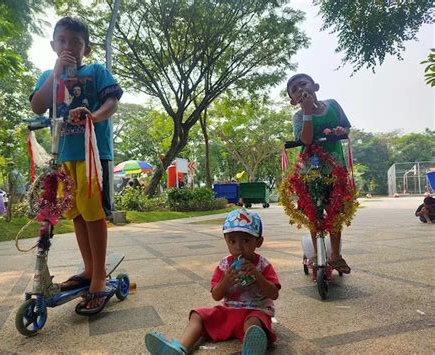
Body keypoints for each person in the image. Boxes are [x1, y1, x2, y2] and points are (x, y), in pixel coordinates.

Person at [30, 16, 123, 315]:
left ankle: (98, 277)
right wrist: (54, 74)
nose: (69, 47)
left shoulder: (96, 71)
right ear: (53, 45)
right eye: (63, 41)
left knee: (93, 213)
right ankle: (87, 268)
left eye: (76, 43)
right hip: (64, 157)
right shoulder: (48, 74)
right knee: (77, 214)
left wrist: (94, 117)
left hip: (92, 154)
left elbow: (112, 102)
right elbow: (37, 105)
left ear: (86, 47)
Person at [145, 209, 281, 354]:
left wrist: (258, 276)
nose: (238, 247)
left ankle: (252, 348)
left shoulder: (263, 265)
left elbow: (274, 294)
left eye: (246, 240)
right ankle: (179, 348)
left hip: (255, 311)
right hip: (229, 312)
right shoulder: (224, 266)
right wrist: (226, 281)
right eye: (232, 241)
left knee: (254, 323)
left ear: (258, 242)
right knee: (197, 315)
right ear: (226, 241)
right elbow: (216, 295)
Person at [287, 73, 352, 274]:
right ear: (293, 101)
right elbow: (305, 139)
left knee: (335, 210)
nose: (300, 90)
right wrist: (307, 112)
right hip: (311, 171)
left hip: (335, 170)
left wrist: (341, 130)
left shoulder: (333, 105)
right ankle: (315, 252)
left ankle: (336, 255)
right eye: (295, 90)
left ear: (315, 86)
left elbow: (346, 129)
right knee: (314, 211)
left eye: (303, 84)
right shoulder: (298, 116)